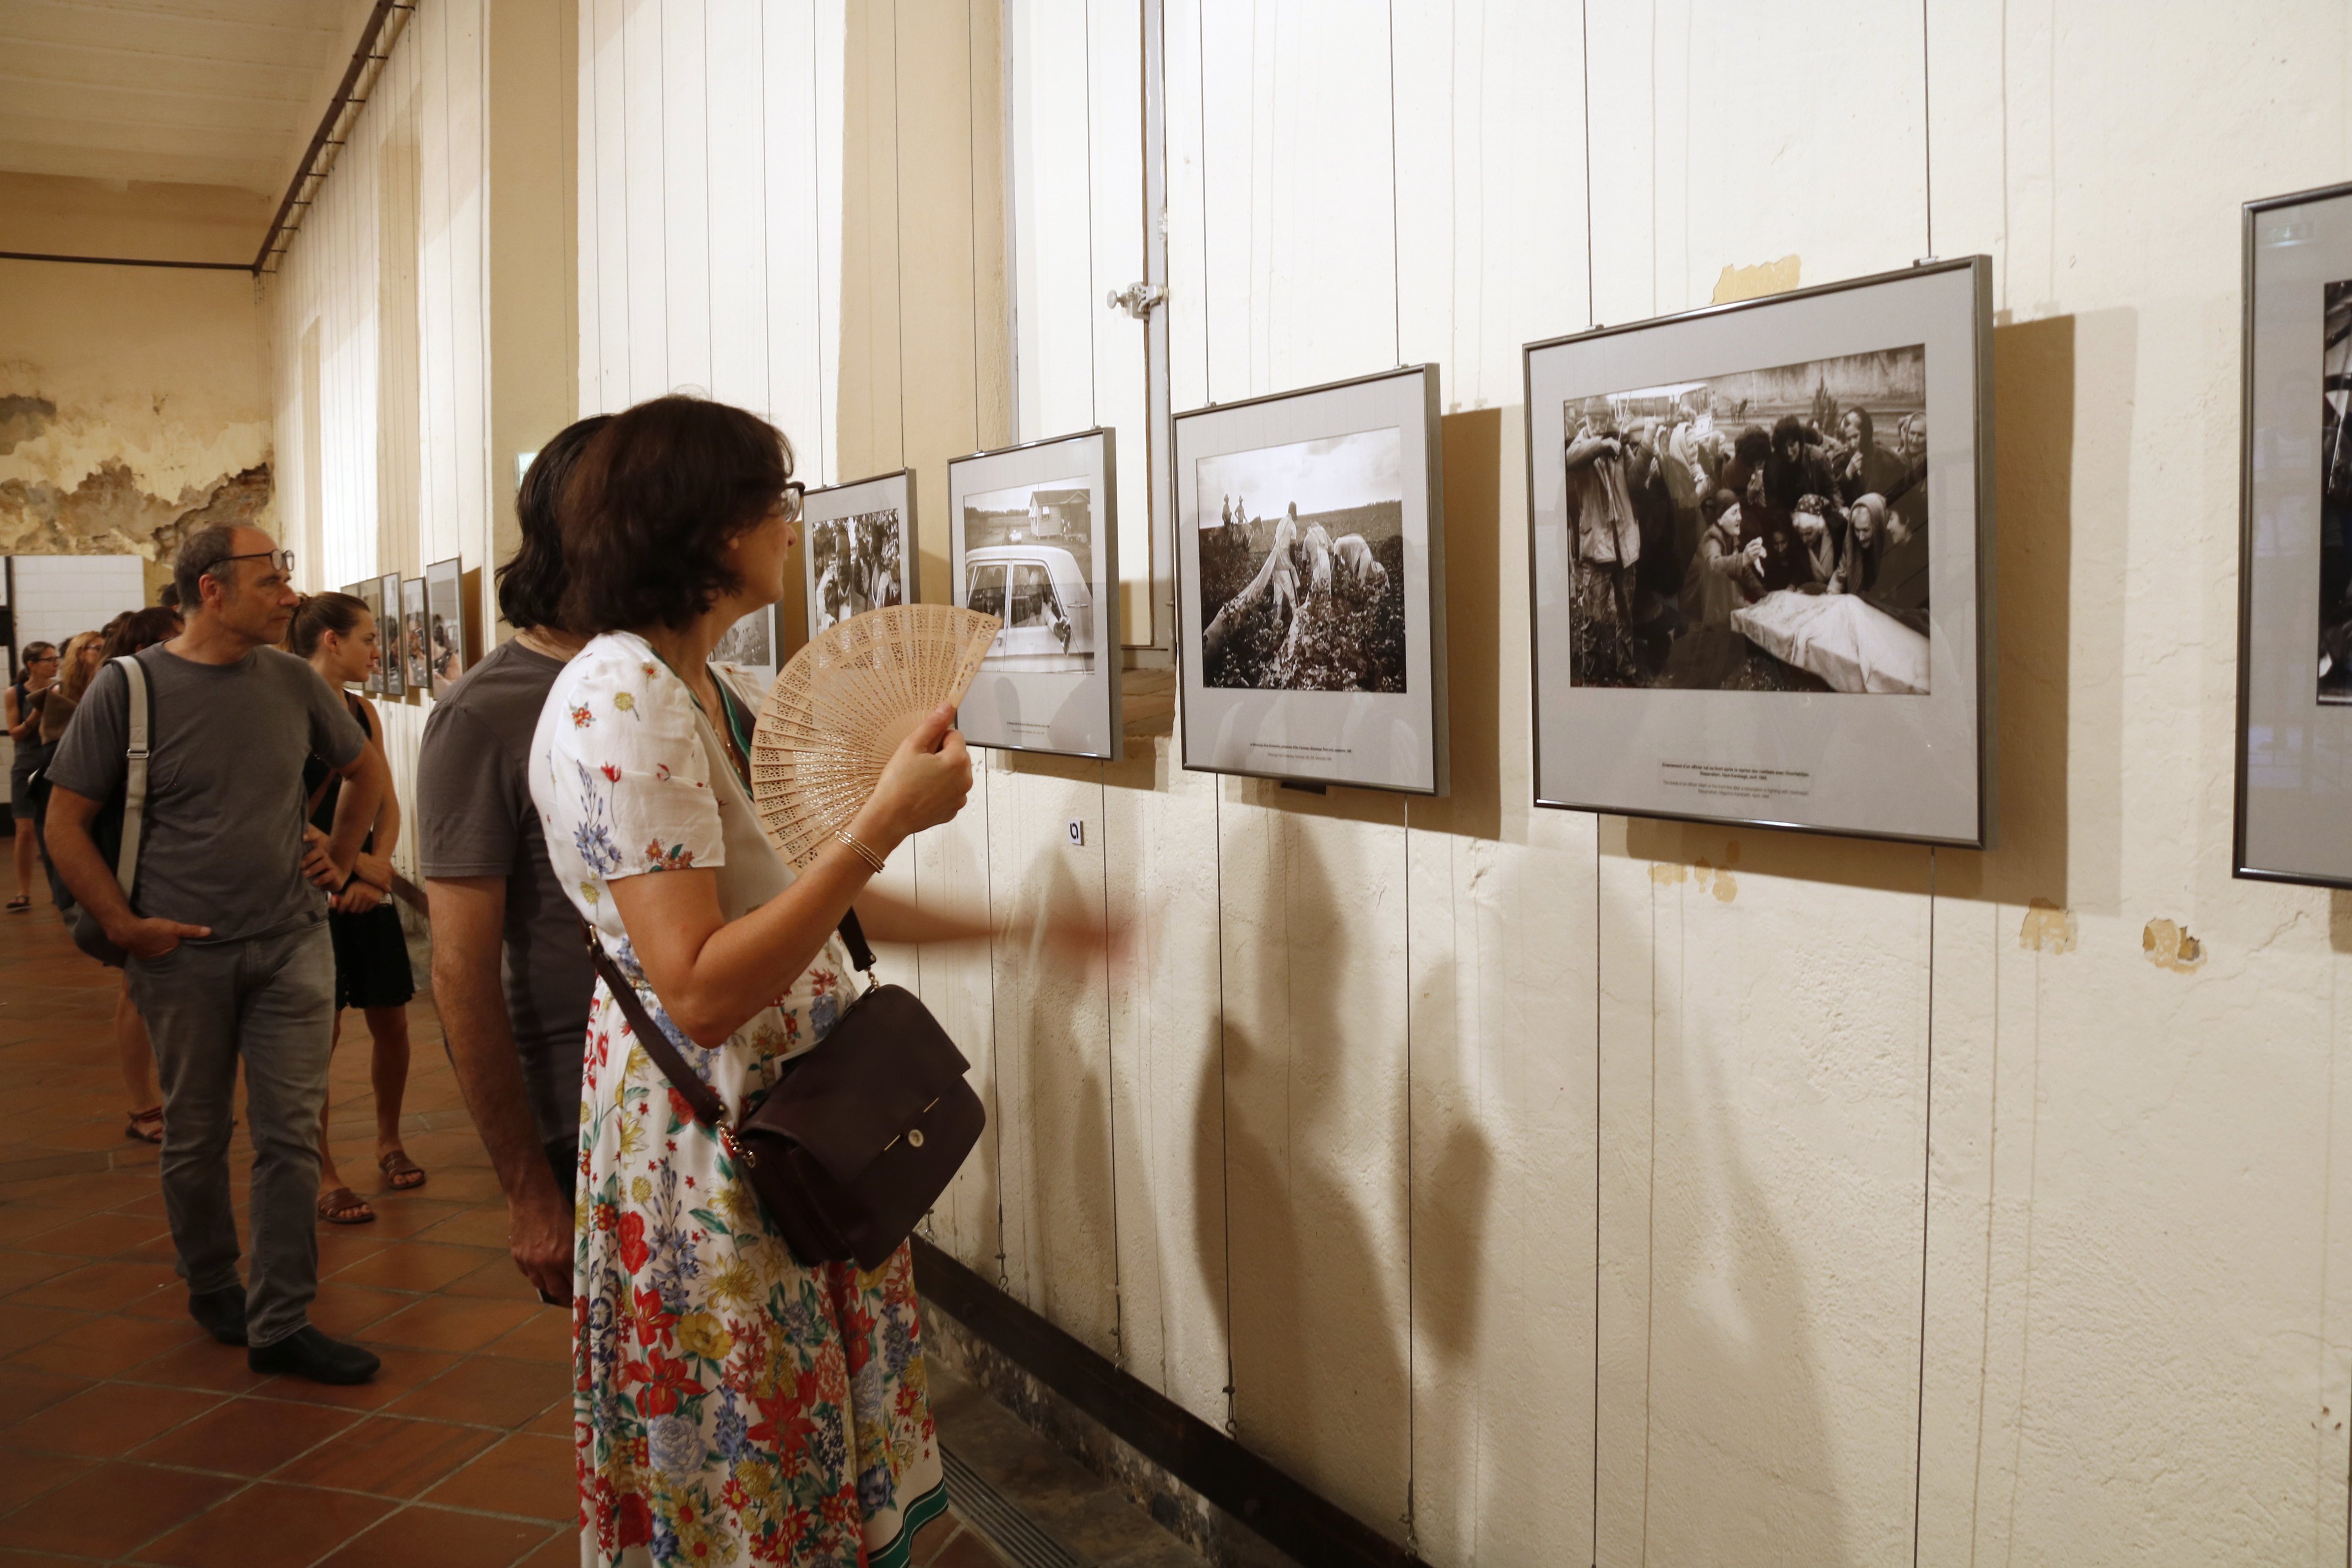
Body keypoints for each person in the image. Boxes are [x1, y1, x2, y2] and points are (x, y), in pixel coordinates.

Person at [538, 394, 1089, 1566]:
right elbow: (694, 984)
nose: (793, 521)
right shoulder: (620, 694)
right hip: (713, 1137)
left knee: (810, 1456)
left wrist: (1014, 929)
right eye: (774, 497)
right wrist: (881, 820)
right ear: (704, 525)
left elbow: (807, 901)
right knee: (745, 1470)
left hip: (793, 1124)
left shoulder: (714, 689)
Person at [43, 524, 393, 1385]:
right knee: (196, 1132)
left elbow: (366, 773)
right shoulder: (129, 687)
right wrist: (126, 928)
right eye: (273, 579)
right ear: (210, 588)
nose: (289, 595)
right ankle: (211, 1282)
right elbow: (64, 824)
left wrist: (343, 859)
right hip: (183, 954)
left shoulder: (289, 680)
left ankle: (280, 1320)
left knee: (288, 1136)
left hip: (291, 943)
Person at [418, 413, 610, 1304]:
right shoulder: (483, 713)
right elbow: (459, 968)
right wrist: (526, 1188)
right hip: (585, 1105)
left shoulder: (682, 681)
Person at [288, 592, 423, 1227]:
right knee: (319, 1034)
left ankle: (389, 1138)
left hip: (363, 884)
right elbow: (279, 807)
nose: (378, 650)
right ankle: (323, 1169)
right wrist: (341, 864)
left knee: (391, 1019)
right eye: (368, 638)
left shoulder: (362, 710)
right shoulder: (283, 705)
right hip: (309, 884)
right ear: (330, 641)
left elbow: (387, 801)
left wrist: (378, 866)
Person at [90, 608, 182, 1145]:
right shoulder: (123, 700)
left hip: (177, 864)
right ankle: (143, 1102)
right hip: (138, 864)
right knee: (136, 986)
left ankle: (181, 1097)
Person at [6, 641, 59, 913]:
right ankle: (23, 893)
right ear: (32, 665)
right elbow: (15, 733)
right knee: (25, 832)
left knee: (53, 831)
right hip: (26, 767)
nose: (56, 663)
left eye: (56, 658)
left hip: (53, 766)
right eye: (49, 659)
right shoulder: (14, 693)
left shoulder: (60, 690)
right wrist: (37, 713)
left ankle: (58, 890)